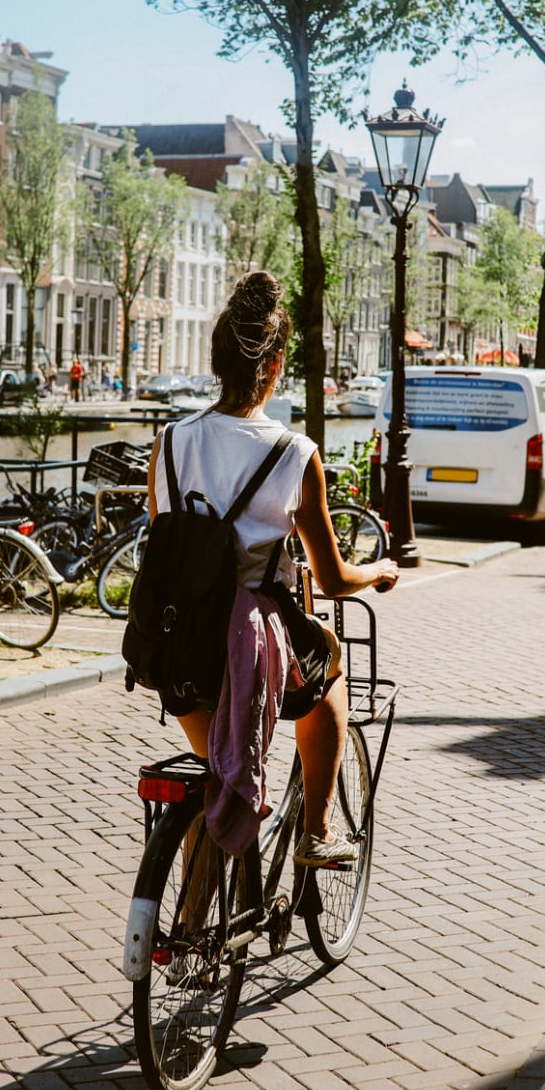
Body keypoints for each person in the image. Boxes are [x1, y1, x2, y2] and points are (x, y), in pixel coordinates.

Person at [148, 271, 399, 867]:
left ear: (215, 359)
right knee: (331, 666)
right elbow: (333, 579)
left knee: (214, 777)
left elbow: (166, 532)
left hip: (173, 639)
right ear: (278, 362)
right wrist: (378, 570)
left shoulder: (170, 439)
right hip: (250, 639)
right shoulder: (295, 454)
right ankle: (317, 831)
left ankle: (188, 930)